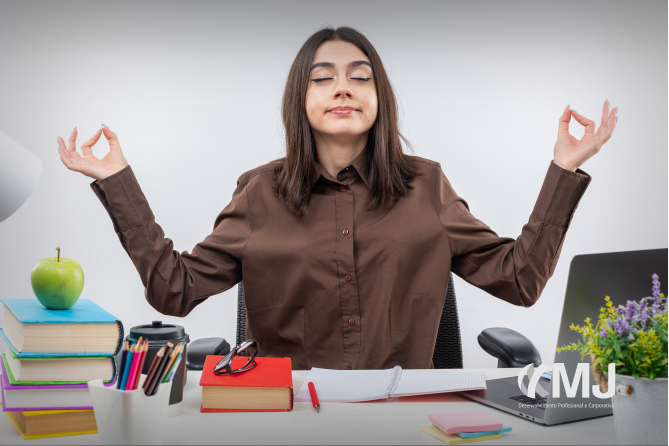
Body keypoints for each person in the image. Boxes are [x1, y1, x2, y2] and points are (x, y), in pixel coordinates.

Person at [58, 26, 617, 370]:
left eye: (360, 76)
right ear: (300, 100)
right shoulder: (259, 192)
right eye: (323, 78)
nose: (343, 88)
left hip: (404, 419)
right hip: (289, 417)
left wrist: (563, 169)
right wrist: (118, 180)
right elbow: (173, 290)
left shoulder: (427, 186)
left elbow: (518, 281)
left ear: (381, 99)